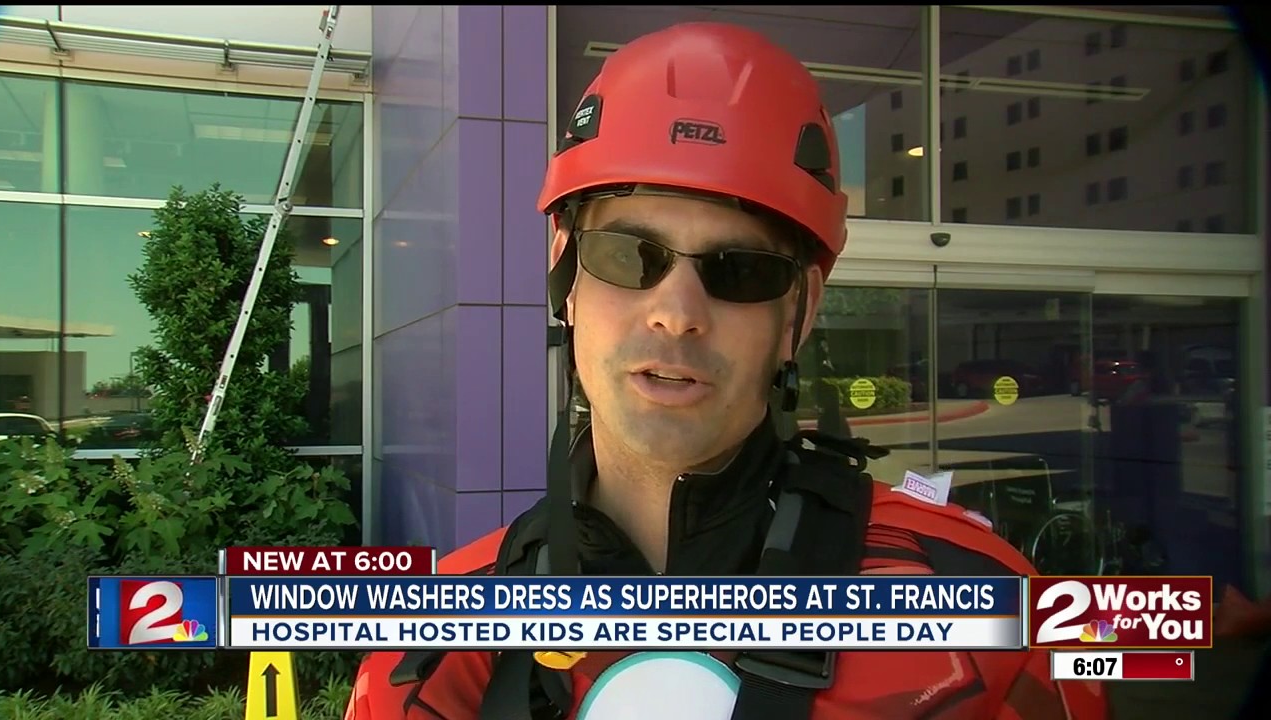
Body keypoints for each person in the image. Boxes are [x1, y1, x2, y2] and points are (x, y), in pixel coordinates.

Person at [344, 21, 1109, 720]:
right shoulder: (434, 655)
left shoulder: (995, 619)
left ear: (799, 313)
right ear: (565, 278)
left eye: (740, 270)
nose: (676, 313)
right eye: (628, 255)